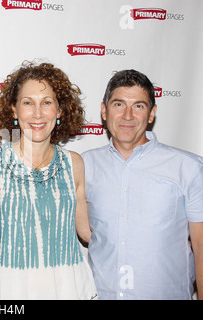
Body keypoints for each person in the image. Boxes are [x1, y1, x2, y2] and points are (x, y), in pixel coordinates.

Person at [0, 61, 98, 299]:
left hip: (67, 288)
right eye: (27, 103)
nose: (37, 114)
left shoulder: (74, 163)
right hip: (12, 288)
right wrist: (9, 233)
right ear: (14, 110)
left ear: (60, 110)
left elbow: (85, 232)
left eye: (46, 103)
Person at [82, 69, 203, 300]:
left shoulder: (189, 168)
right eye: (119, 104)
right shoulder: (83, 165)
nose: (128, 115)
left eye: (138, 106)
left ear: (151, 114)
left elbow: (201, 246)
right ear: (104, 111)